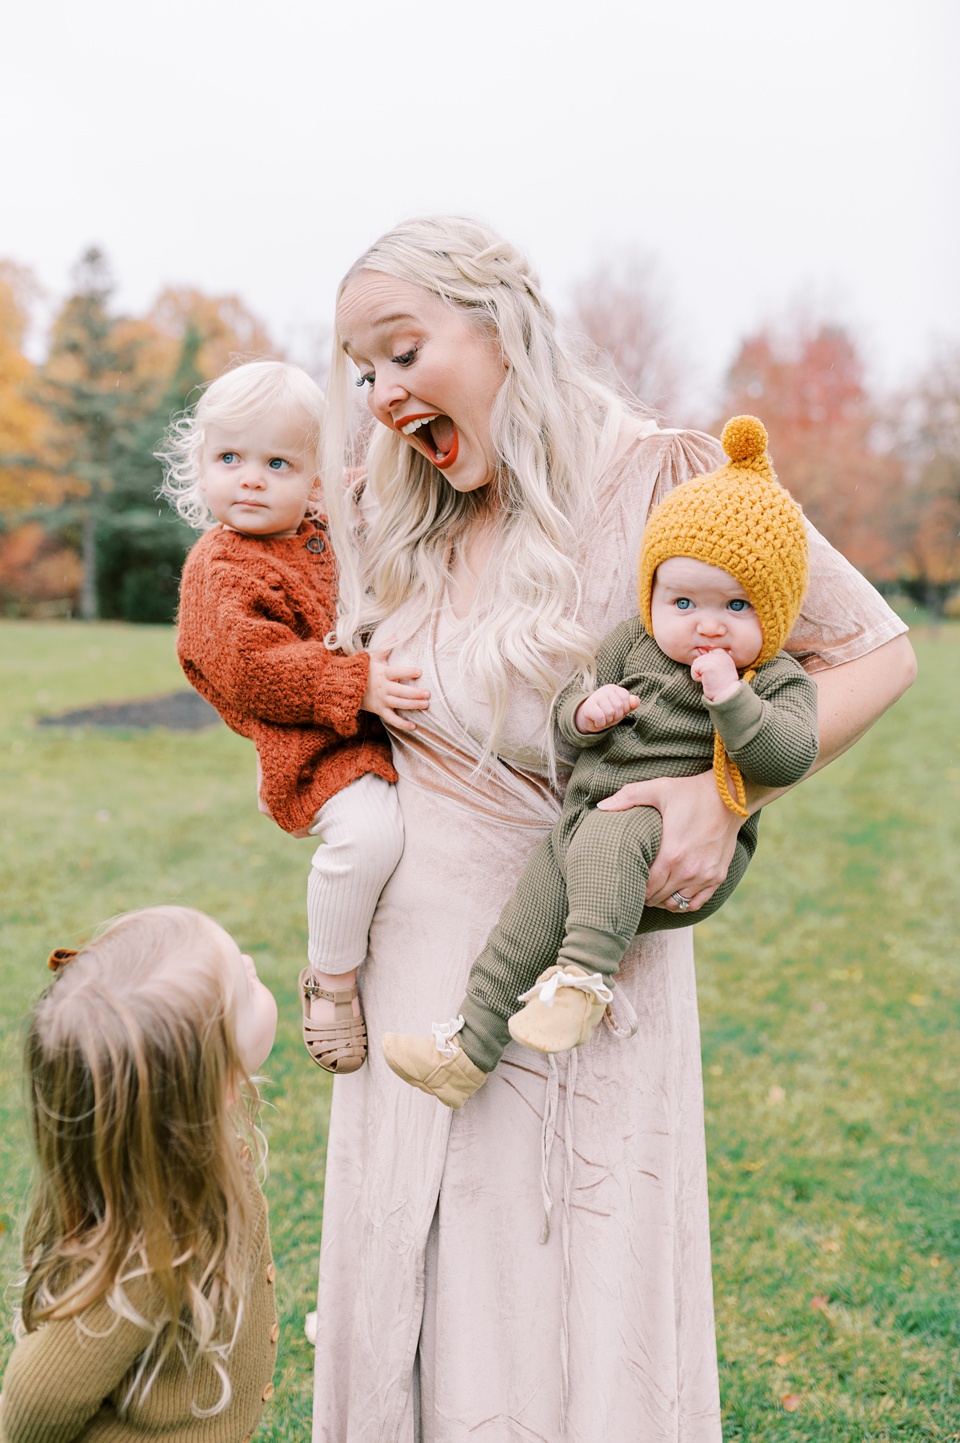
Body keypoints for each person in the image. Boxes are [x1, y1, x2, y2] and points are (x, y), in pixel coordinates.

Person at [316, 216, 915, 1442]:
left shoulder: (667, 479)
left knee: (562, 1308)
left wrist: (723, 791)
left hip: (594, 957)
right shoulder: (401, 501)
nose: (378, 396)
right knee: (415, 1300)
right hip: (411, 961)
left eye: (400, 351)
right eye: (358, 371)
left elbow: (877, 650)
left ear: (500, 323)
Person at [382, 415, 820, 1104]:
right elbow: (571, 710)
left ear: (775, 611)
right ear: (652, 597)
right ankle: (467, 1048)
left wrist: (734, 702)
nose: (707, 624)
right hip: (582, 823)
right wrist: (585, 715)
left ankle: (584, 979)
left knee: (618, 827)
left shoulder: (773, 680)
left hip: (668, 836)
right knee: (519, 927)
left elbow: (789, 756)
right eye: (684, 601)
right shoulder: (631, 645)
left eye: (736, 605)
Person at [159, 361, 427, 1074]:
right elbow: (253, 670)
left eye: (277, 462)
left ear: (314, 481)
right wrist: (355, 684)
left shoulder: (315, 526)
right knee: (368, 837)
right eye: (230, 458)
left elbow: (361, 528)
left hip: (358, 724)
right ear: (201, 466)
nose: (250, 478)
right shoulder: (222, 566)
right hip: (310, 749)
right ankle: (332, 979)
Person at [0, 905, 280, 1442]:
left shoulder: (194, 1159)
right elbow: (37, 1393)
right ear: (213, 1083)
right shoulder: (154, 1250)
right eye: (242, 991)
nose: (249, 963)